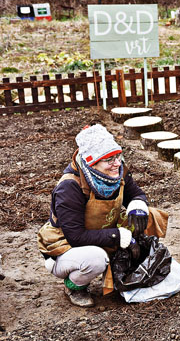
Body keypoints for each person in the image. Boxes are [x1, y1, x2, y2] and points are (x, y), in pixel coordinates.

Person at [37, 124, 168, 308]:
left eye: (117, 156)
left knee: (149, 215)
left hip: (102, 229)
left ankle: (131, 268)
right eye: (108, 160)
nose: (116, 163)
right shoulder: (70, 188)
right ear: (92, 162)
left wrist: (138, 204)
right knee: (96, 259)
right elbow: (75, 237)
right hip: (64, 247)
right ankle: (74, 287)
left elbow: (135, 193)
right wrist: (119, 236)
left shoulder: (117, 171)